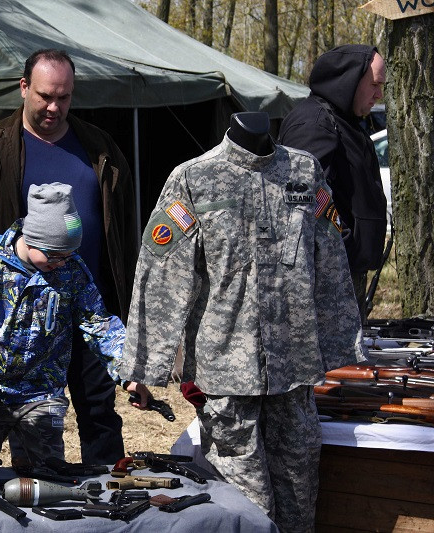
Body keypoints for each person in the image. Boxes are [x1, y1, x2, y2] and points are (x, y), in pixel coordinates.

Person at [120, 112, 365, 532]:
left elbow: (331, 260)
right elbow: (161, 273)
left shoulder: (304, 172)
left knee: (299, 499)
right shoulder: (193, 180)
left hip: (294, 371)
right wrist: (143, 366)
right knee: (245, 508)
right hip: (228, 374)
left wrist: (342, 343)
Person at [0, 48, 139, 465]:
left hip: (85, 300)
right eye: (46, 95)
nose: (54, 107)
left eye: (63, 97)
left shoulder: (98, 146)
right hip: (18, 316)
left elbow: (122, 228)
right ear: (24, 87)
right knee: (5, 420)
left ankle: (108, 503)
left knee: (99, 414)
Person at [0, 183, 148, 465]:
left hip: (42, 394)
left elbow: (98, 323)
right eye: (54, 254)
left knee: (45, 477)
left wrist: (129, 372)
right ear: (31, 238)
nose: (61, 263)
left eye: (68, 255)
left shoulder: (71, 272)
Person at [278, 45, 388, 323]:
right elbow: (301, 202)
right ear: (348, 81)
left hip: (342, 274)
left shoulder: (343, 121)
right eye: (374, 84)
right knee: (333, 367)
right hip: (325, 280)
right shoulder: (315, 123)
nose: (379, 94)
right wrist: (344, 245)